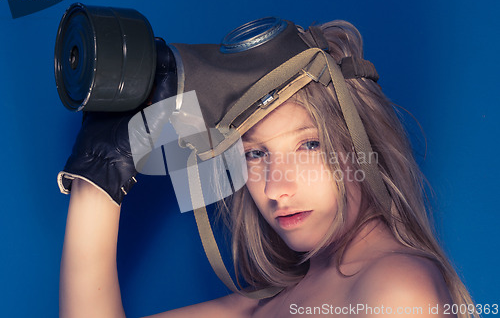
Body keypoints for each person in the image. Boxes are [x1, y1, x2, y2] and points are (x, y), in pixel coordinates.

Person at [58, 19, 477, 317]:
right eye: (255, 154)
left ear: (361, 143)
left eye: (310, 145)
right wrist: (98, 172)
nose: (278, 189)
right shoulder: (273, 301)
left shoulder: (397, 291)